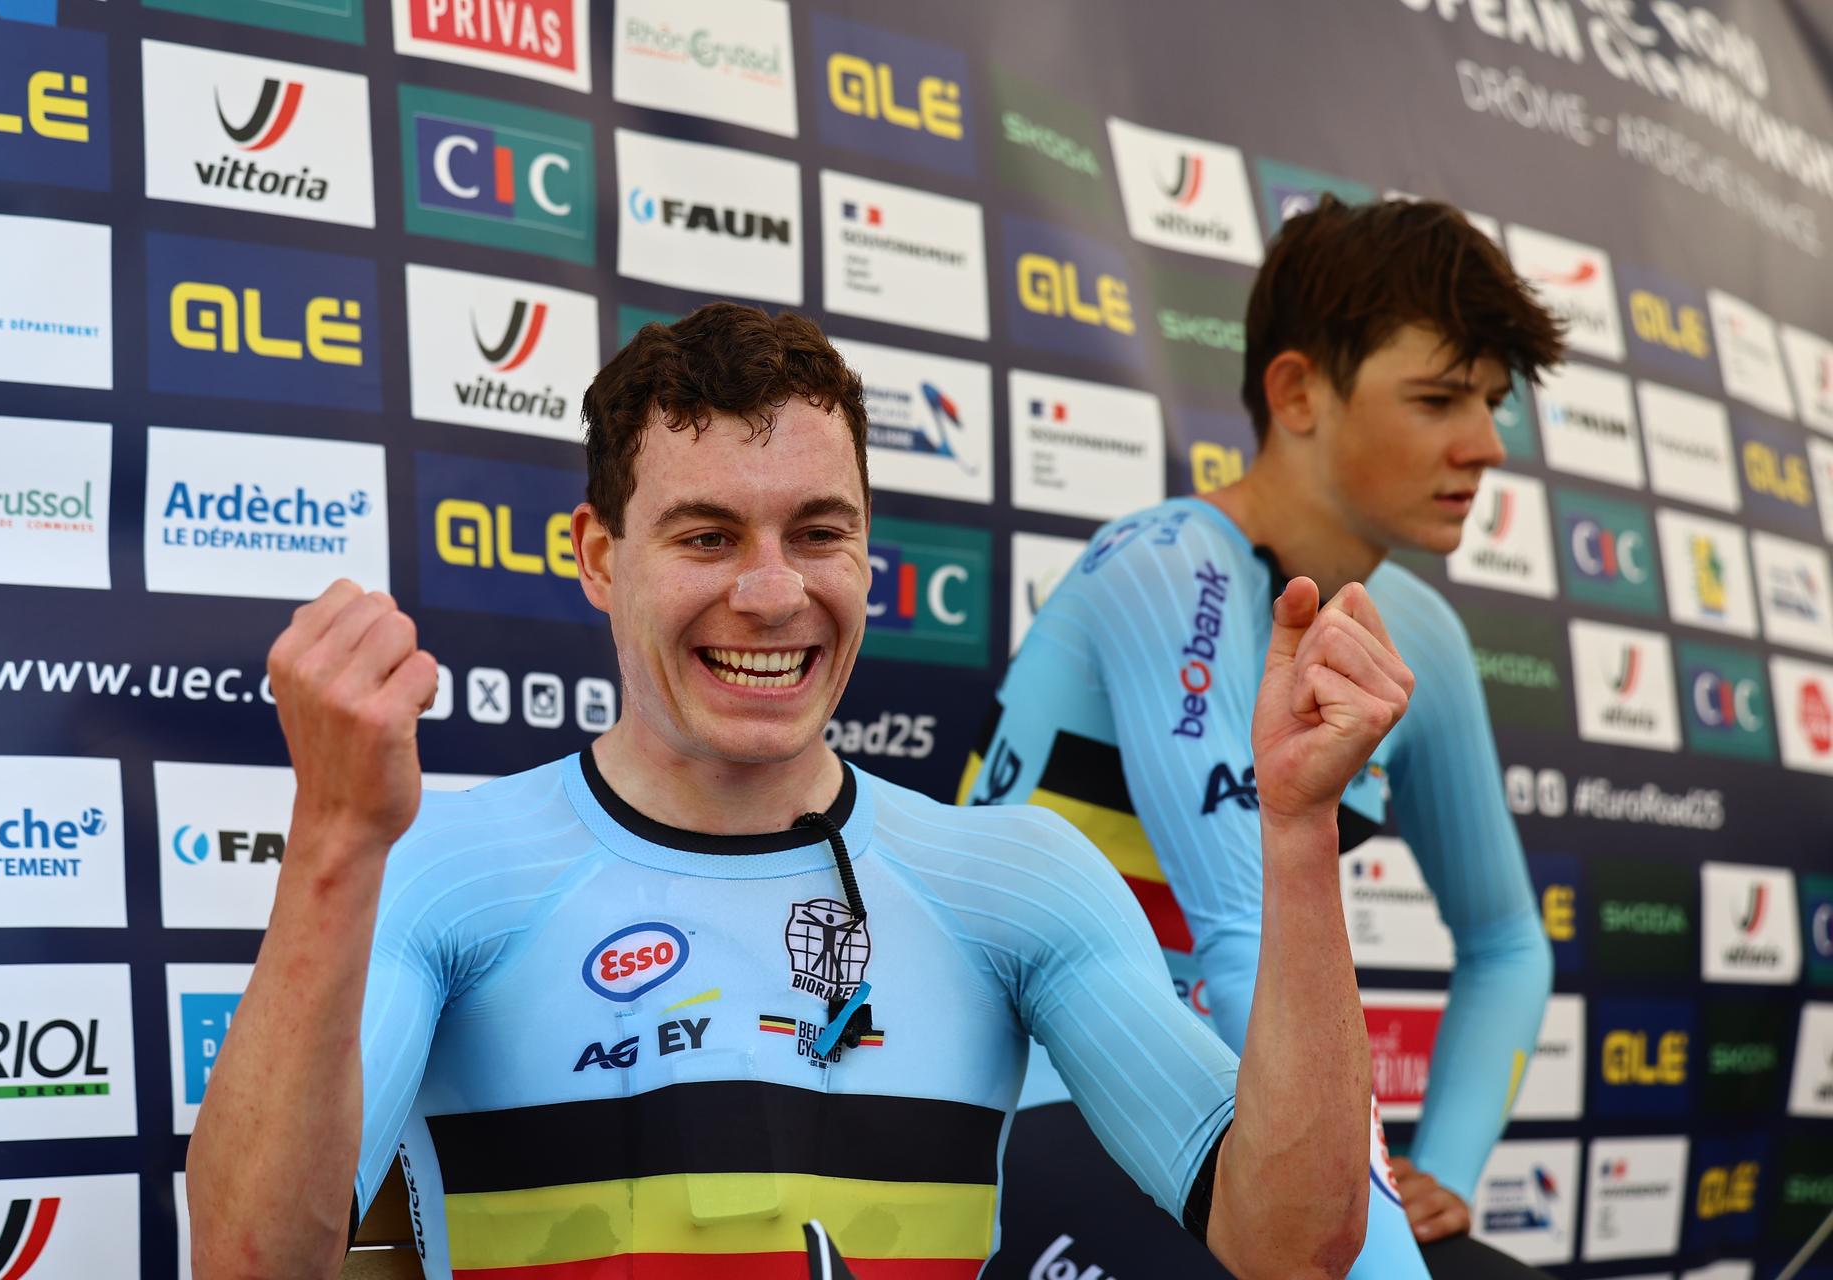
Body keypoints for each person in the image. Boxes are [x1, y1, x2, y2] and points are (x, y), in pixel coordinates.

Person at [186, 303, 1414, 1280]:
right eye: (708, 536)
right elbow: (251, 1264)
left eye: (818, 532)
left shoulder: (1013, 880)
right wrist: (337, 841)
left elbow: (1291, 1244)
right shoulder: (446, 864)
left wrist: (1297, 836)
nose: (773, 595)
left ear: (869, 552)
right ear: (600, 558)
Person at [964, 196, 1564, 1277]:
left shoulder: (1420, 631)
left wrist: (1448, 1172)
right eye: (1437, 398)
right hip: (1038, 1107)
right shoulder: (1161, 567)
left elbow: (1509, 942)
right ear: (1296, 393)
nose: (1483, 445)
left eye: (1490, 400)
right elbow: (1241, 928)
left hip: (1244, 1121)